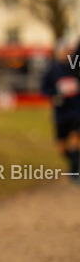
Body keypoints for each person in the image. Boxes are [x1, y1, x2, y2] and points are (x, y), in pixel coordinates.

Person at [40, 39, 80, 183]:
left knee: (75, 141)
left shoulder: (75, 68)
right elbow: (44, 89)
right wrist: (54, 94)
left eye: (67, 51)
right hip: (60, 113)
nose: (65, 54)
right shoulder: (52, 71)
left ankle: (75, 172)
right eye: (62, 51)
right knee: (61, 147)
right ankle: (73, 164)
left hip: (76, 112)